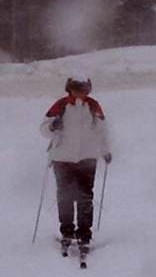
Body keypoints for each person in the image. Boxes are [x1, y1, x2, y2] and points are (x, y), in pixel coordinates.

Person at [40, 76, 112, 247]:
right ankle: (67, 231)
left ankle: (85, 233)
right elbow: (43, 128)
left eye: (83, 89)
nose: (80, 92)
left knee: (85, 197)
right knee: (64, 196)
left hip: (87, 158)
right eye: (76, 88)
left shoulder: (93, 106)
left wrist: (105, 150)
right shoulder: (61, 105)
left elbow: (102, 131)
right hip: (62, 159)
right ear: (69, 89)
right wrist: (52, 126)